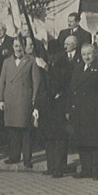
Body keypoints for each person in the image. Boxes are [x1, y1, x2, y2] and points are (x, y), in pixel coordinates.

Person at [68, 43, 98, 179]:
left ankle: (96, 171)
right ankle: (85, 169)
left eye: (89, 54)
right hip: (80, 110)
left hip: (94, 110)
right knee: (82, 141)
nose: (87, 57)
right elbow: (73, 87)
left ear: (94, 53)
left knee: (96, 142)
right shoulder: (78, 67)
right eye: (84, 54)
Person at [0, 37, 41, 168]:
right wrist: (1, 99)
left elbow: (36, 83)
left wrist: (34, 101)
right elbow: (2, 81)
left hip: (24, 100)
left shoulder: (31, 60)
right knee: (12, 131)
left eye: (20, 46)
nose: (18, 49)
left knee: (25, 131)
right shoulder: (6, 62)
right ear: (12, 47)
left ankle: (27, 158)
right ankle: (14, 156)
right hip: (10, 100)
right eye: (16, 46)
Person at [35, 39, 71, 177]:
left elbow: (59, 81)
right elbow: (42, 86)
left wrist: (45, 67)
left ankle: (60, 167)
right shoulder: (51, 64)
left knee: (59, 139)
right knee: (49, 138)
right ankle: (51, 166)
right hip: (47, 106)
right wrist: (37, 106)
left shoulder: (65, 65)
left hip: (59, 106)